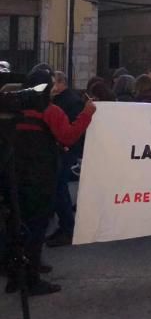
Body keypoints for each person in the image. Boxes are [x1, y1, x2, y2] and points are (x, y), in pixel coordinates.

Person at [6, 67, 96, 294]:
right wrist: (87, 114)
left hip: (12, 176)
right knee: (37, 227)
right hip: (40, 177)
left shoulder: (12, 109)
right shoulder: (50, 111)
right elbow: (68, 136)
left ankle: (15, 274)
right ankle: (32, 280)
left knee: (16, 225)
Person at [46, 72, 85, 248]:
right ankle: (65, 226)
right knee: (58, 188)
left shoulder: (71, 101)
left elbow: (72, 128)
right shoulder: (64, 99)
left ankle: (67, 228)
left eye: (54, 83)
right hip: (62, 148)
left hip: (66, 149)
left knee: (60, 188)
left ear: (61, 83)